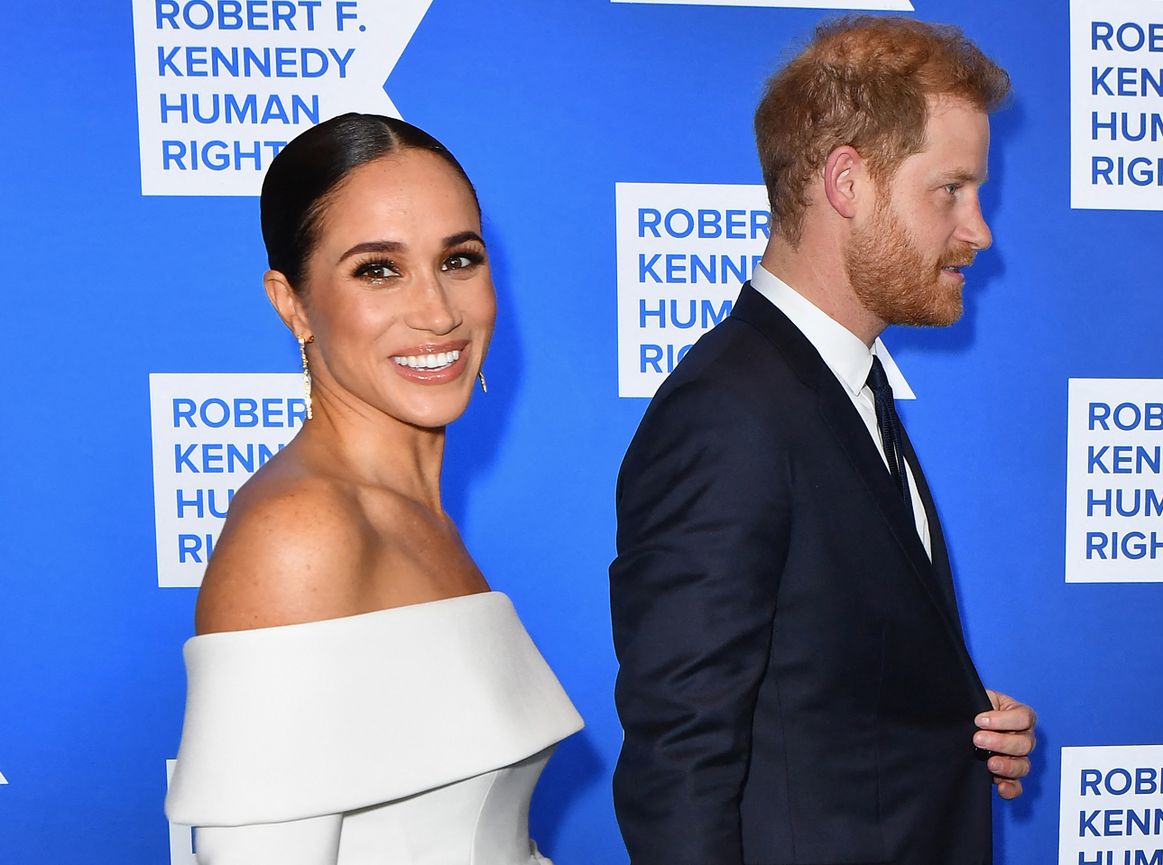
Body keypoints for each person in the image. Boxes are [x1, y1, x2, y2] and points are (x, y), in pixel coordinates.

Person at [609, 16, 1036, 865]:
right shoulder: (728, 412)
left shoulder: (841, 385)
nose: (978, 228)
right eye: (949, 189)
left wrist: (952, 716)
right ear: (848, 183)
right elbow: (680, 769)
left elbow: (813, 681)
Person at [164, 113, 582, 864]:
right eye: (377, 269)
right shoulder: (298, 533)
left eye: (459, 259)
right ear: (290, 303)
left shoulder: (418, 520)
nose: (437, 311)